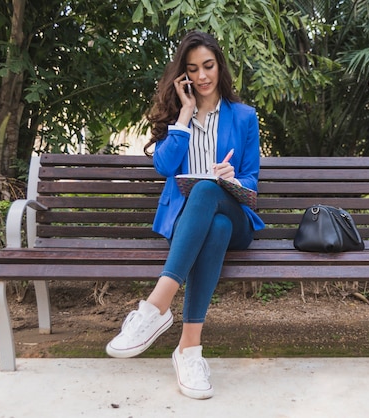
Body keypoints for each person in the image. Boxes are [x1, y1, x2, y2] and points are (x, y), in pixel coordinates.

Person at [105, 30, 264, 400]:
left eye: (208, 66)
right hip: (190, 222)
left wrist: (232, 177)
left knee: (210, 190)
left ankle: (155, 307)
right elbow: (164, 166)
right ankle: (189, 350)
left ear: (219, 67)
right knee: (216, 228)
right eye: (193, 69)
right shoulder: (178, 116)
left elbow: (252, 178)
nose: (202, 76)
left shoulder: (243, 117)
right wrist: (186, 113)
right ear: (184, 75)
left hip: (235, 209)